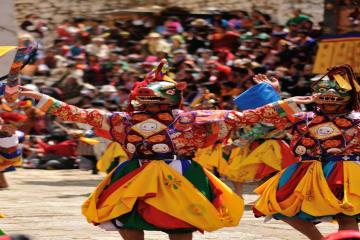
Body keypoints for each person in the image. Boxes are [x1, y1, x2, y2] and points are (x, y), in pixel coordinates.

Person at [20, 60, 313, 240]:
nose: (150, 106)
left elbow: (78, 114)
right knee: (131, 215)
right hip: (150, 171)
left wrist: (282, 103)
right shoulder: (149, 120)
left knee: (172, 220)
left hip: (161, 172)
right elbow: (78, 114)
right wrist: (282, 104)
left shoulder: (148, 120)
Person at [252, 64, 360, 239]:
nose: (328, 104)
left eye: (334, 100)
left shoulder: (357, 119)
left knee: (346, 214)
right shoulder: (305, 118)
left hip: (346, 170)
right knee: (283, 208)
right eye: (324, 99)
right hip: (308, 170)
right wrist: (272, 93)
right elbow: (276, 115)